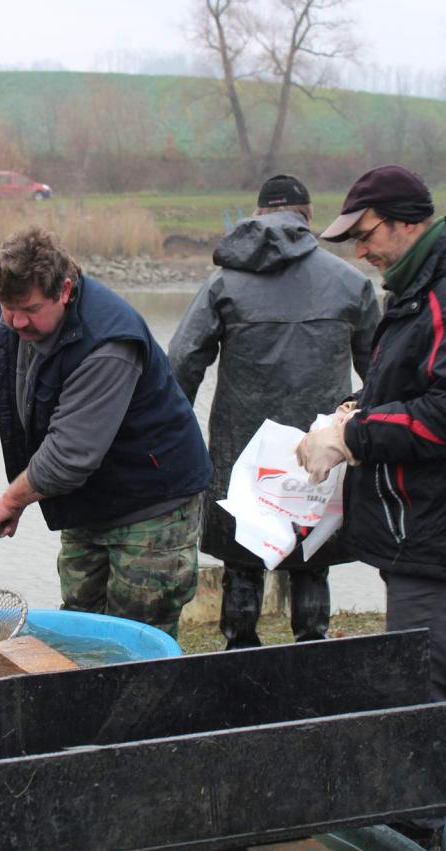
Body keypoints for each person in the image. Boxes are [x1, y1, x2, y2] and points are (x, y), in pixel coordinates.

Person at [298, 164, 446, 706]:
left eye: (365, 235)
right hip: (420, 522)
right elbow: (416, 383)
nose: (359, 252)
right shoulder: (421, 286)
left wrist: (354, 438)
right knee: (430, 669)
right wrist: (355, 409)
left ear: (407, 223)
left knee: (414, 684)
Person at [169, 174, 379, 650]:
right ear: (309, 216)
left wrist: (176, 436)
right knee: (312, 558)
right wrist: (361, 426)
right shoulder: (350, 282)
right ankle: (311, 649)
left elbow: (181, 360)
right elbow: (382, 373)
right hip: (321, 447)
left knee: (242, 560)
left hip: (240, 450)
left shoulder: (225, 282)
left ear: (257, 214)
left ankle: (239, 653)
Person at [0, 226, 212, 638]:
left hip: (153, 503)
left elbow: (69, 454)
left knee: (136, 635)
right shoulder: (22, 319)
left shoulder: (108, 343)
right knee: (80, 628)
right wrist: (25, 492)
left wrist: (12, 499)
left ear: (64, 290)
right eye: (7, 307)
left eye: (29, 309)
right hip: (88, 499)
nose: (16, 321)